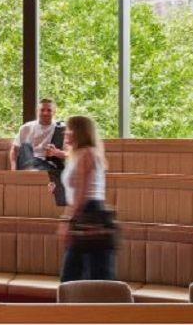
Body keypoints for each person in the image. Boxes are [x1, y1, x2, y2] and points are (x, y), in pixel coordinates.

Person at [56, 115, 115, 282]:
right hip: (85, 210)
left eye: (69, 129)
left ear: (79, 132)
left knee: (90, 274)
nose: (65, 133)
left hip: (90, 212)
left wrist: (68, 221)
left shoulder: (87, 154)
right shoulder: (77, 154)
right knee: (78, 273)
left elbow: (81, 194)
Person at [10, 98, 66, 170]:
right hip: (27, 163)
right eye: (42, 110)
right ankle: (32, 171)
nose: (45, 113)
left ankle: (33, 172)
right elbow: (14, 150)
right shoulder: (26, 127)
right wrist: (13, 169)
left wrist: (56, 153)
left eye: (49, 110)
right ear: (37, 111)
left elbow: (70, 154)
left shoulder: (61, 129)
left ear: (54, 112)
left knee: (37, 167)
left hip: (47, 165)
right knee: (25, 146)